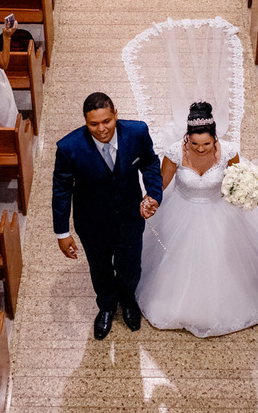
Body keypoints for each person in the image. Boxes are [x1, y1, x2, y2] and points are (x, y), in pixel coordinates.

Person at [136, 102, 258, 338]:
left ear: (215, 139)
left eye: (206, 144)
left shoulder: (229, 153)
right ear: (187, 139)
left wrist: (245, 193)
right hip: (182, 211)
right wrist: (150, 200)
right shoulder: (174, 153)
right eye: (194, 144)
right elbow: (161, 183)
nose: (200, 149)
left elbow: (236, 181)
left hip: (219, 211)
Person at [52, 92, 163, 340]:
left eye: (106, 121)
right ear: (85, 121)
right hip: (92, 223)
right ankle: (106, 306)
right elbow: (61, 190)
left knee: (130, 266)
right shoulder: (68, 148)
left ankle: (128, 299)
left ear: (115, 114)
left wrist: (153, 194)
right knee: (99, 268)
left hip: (129, 218)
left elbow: (150, 162)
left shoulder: (137, 133)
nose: (101, 129)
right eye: (93, 124)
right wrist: (62, 232)